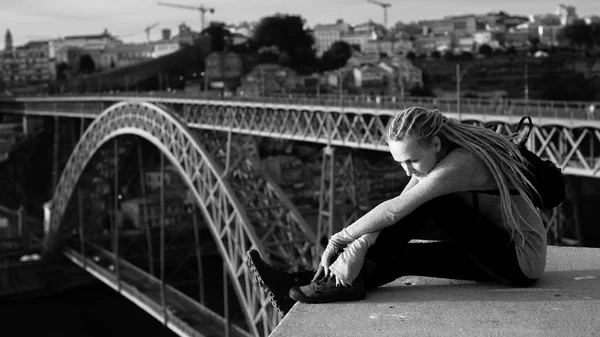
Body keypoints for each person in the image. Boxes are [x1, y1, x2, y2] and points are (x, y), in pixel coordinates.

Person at [247, 106, 547, 316]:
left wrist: (340, 239)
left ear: (436, 143)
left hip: (518, 260)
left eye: (411, 161)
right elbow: (397, 211)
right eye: (400, 163)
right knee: (401, 258)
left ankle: (331, 282)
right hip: (493, 251)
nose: (407, 172)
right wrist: (362, 243)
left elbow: (398, 210)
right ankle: (316, 281)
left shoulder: (461, 164)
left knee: (431, 203)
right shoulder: (435, 159)